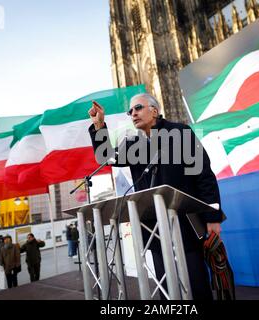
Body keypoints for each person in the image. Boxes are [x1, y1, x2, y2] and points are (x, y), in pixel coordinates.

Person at [88, 93, 225, 300]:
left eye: (138, 108)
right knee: (166, 289)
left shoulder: (180, 133)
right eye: (130, 111)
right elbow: (105, 156)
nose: (133, 113)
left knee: (196, 284)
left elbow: (204, 175)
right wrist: (99, 126)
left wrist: (213, 216)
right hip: (153, 227)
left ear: (154, 110)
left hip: (186, 224)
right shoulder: (133, 144)